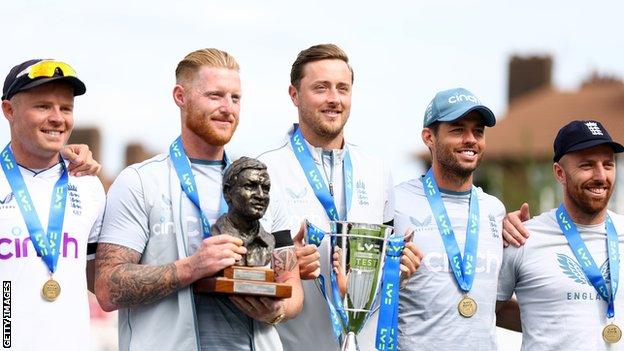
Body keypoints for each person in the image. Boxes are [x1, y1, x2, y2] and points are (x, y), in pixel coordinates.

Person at [94, 48, 303, 351]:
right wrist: (193, 267)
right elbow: (107, 287)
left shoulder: (264, 186)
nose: (228, 108)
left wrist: (277, 311)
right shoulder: (140, 182)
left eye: (236, 98)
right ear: (181, 96)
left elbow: (292, 285)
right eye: (215, 95)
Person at [257, 43, 422, 351]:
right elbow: (245, 267)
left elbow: (384, 264)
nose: (334, 98)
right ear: (294, 95)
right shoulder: (266, 170)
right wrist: (283, 267)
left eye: (342, 89)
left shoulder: (377, 171)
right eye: (321, 88)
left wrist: (400, 268)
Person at [393, 87, 516, 350]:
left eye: (478, 131)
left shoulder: (495, 210)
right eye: (458, 129)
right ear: (429, 137)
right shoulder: (395, 202)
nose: (471, 139)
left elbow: (500, 303)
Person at [0, 59, 105, 350]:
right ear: (9, 110)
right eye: (43, 106)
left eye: (66, 108)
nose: (58, 118)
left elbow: (103, 281)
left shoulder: (89, 185)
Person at [497, 120, 624, 350]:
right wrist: (540, 321)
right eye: (587, 165)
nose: (600, 175)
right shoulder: (523, 237)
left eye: (608, 164)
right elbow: (491, 310)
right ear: (559, 173)